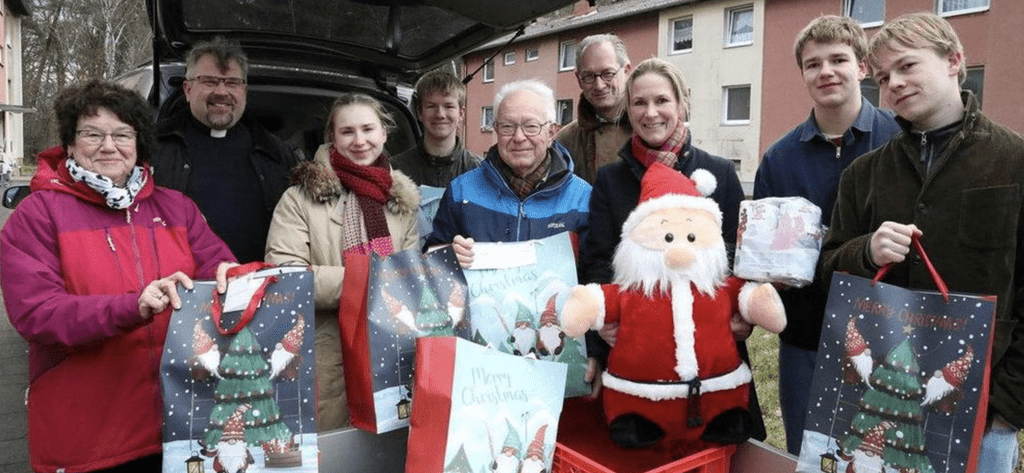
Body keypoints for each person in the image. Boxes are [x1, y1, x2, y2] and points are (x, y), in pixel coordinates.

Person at [818, 12, 1024, 473]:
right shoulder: (863, 174)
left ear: (954, 60)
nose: (894, 84)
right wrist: (865, 250)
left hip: (984, 410)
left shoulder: (1014, 161)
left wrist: (1008, 408)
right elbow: (828, 266)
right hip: (878, 401)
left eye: (907, 66)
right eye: (885, 76)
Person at [0, 80, 236, 472]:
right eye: (92, 134)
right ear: (70, 144)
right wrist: (132, 307)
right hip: (89, 435)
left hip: (181, 426)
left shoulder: (177, 208)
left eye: (122, 134)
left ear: (139, 143)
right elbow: (36, 313)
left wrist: (238, 275)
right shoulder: (38, 214)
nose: (108, 146)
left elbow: (219, 268)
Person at [578, 57, 762, 438]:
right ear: (628, 109)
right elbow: (597, 260)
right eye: (639, 103)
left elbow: (739, 258)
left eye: (661, 100)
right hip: (639, 353)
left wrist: (745, 317)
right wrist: (602, 327)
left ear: (681, 104)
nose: (651, 113)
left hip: (713, 353)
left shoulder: (721, 172)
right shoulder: (610, 181)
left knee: (715, 443)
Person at [753, 15, 900, 455]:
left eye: (838, 59)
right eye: (813, 64)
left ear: (863, 67)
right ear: (803, 74)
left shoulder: (900, 141)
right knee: (810, 453)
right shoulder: (779, 158)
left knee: (882, 456)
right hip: (806, 336)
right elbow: (762, 253)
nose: (826, 71)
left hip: (889, 337)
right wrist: (768, 271)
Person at [264, 92, 419, 431]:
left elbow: (409, 277)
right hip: (322, 349)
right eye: (347, 132)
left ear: (384, 133)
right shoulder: (299, 198)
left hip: (390, 347)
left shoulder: (403, 202)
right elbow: (285, 276)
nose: (360, 141)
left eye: (368, 129)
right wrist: (369, 281)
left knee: (387, 447)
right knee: (334, 450)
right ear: (332, 137)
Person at [151, 36, 300, 264]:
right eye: (209, 81)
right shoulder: (152, 147)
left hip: (259, 286)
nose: (222, 92)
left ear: (245, 91)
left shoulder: (277, 154)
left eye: (232, 83)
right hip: (177, 288)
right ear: (188, 89)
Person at [424, 79, 591, 266]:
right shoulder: (461, 191)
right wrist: (447, 257)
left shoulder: (584, 198)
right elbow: (430, 265)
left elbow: (596, 274)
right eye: (507, 127)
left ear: (551, 133)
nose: (519, 137)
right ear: (496, 130)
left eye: (531, 126)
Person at [555, 33, 633, 183]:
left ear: (626, 70)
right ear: (578, 79)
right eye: (589, 76)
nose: (599, 85)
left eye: (608, 74)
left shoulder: (649, 129)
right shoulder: (566, 140)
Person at [391, 68, 481, 187]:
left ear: (461, 114)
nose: (440, 114)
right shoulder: (395, 170)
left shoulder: (481, 172)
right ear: (420, 113)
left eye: (448, 106)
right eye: (431, 106)